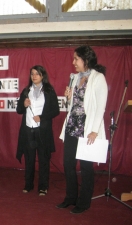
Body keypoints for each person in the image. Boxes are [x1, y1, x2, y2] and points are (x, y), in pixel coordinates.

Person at [56, 45, 108, 214]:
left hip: (87, 128)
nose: (73, 62)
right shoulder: (75, 77)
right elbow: (73, 104)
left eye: (76, 59)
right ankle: (70, 198)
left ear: (86, 60)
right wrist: (69, 97)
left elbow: (101, 106)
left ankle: (84, 202)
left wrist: (94, 130)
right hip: (72, 125)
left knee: (86, 167)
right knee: (68, 164)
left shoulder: (98, 78)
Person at [16, 65, 60, 196]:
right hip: (28, 130)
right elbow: (19, 110)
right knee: (29, 159)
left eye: (37, 74)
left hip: (42, 131)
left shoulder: (49, 91)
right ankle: (28, 184)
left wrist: (42, 117)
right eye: (32, 74)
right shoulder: (25, 91)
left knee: (43, 159)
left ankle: (43, 187)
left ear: (42, 76)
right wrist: (23, 105)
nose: (34, 76)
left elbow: (56, 110)